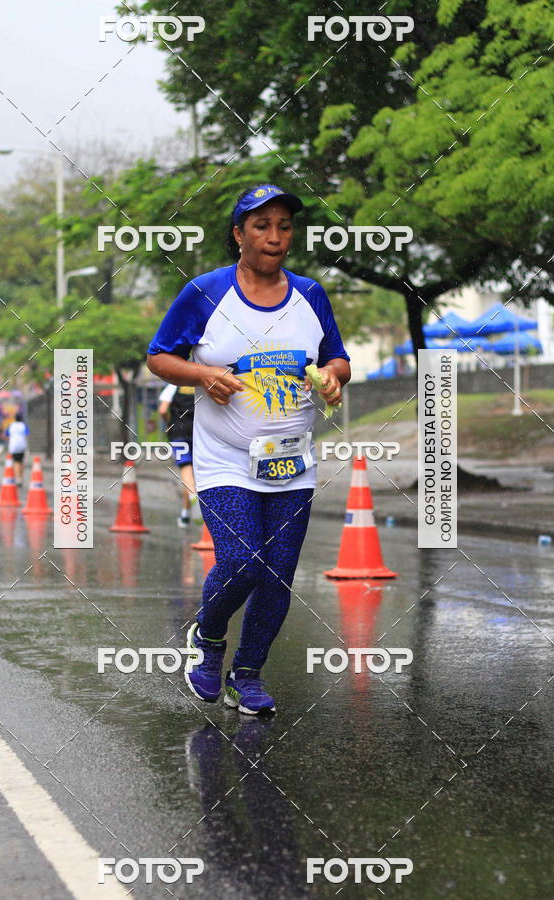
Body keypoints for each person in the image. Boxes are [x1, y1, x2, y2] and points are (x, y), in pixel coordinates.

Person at [146, 183, 350, 715]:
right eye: (261, 226)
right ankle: (209, 637)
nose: (275, 237)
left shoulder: (310, 294)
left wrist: (331, 376)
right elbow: (159, 357)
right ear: (239, 235)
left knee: (277, 576)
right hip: (224, 457)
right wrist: (202, 373)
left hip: (291, 460)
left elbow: (338, 358)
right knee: (241, 561)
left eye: (284, 226)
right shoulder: (206, 292)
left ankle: (248, 674)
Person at [157, 382, 197, 527]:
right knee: (196, 474)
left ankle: (193, 496)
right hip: (198, 433)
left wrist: (169, 423)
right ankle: (185, 514)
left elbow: (162, 410)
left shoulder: (173, 386)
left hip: (178, 433)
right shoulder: (199, 386)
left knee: (186, 469)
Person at [6, 411, 29, 487]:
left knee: (16, 462)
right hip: (22, 445)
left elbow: (7, 434)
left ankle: (18, 478)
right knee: (21, 461)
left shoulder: (11, 425)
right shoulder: (23, 425)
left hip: (14, 446)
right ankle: (21, 478)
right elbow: (27, 434)